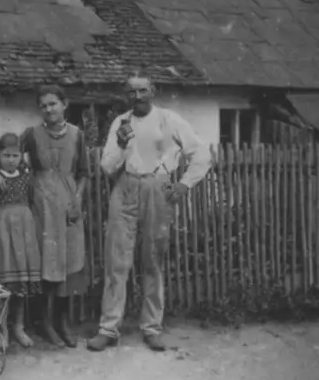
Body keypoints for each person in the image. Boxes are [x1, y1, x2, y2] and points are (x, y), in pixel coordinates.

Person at [90, 73, 206, 352]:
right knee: (116, 260)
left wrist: (184, 184)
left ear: (153, 91)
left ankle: (152, 327)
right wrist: (119, 144)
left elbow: (200, 154)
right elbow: (107, 167)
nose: (138, 97)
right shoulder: (121, 122)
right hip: (126, 186)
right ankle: (108, 328)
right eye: (132, 92)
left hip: (159, 186)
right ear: (125, 95)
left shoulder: (170, 120)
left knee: (153, 260)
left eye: (143, 91)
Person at [20, 85, 90, 348]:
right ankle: (43, 322)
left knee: (68, 263)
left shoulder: (77, 135)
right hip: (42, 206)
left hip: (69, 206)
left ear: (64, 104)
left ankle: (62, 321)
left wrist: (78, 199)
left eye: (53, 104)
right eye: (44, 105)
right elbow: (10, 158)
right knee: (45, 262)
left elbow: (83, 172)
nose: (48, 109)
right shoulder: (31, 135)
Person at [0, 132, 42, 347]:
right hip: (1, 235)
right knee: (3, 285)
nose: (11, 160)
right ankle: (1, 329)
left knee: (21, 284)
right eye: (6, 155)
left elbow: (33, 202)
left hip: (23, 234)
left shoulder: (26, 177)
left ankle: (19, 326)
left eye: (15, 156)